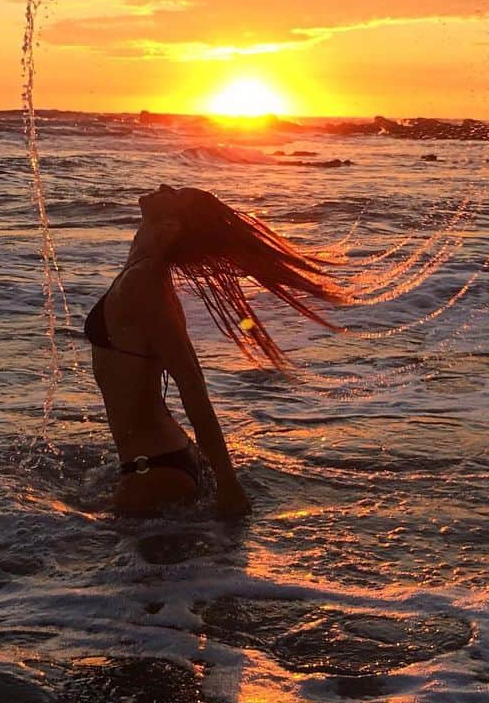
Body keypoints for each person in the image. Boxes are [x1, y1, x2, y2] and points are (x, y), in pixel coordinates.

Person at [84, 183, 347, 518]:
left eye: (176, 194)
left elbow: (192, 385)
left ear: (172, 225)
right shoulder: (143, 268)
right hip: (157, 463)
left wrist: (229, 486)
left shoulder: (145, 282)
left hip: (154, 470)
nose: (165, 186)